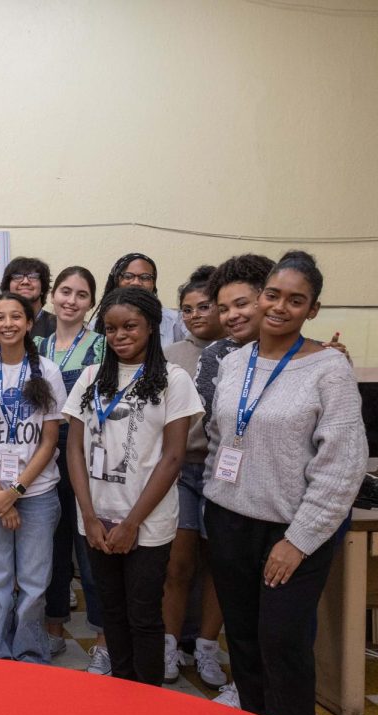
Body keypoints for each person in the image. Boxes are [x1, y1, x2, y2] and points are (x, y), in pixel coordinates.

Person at [203, 251, 367, 715]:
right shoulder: (234, 363)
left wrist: (297, 541)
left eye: (296, 300)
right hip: (230, 520)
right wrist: (216, 495)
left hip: (291, 532)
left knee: (283, 643)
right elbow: (220, 439)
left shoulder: (328, 370)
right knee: (246, 641)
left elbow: (343, 466)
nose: (279, 307)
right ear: (259, 297)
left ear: (311, 310)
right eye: (272, 295)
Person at [64, 287, 202, 686]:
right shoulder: (91, 377)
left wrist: (131, 524)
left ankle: (148, 701)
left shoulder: (173, 380)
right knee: (111, 612)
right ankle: (122, 693)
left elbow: (173, 457)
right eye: (110, 329)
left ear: (151, 327)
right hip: (96, 517)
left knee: (143, 616)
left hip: (147, 522)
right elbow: (74, 448)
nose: (120, 335)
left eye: (130, 326)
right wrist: (89, 516)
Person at [0, 293, 66, 663]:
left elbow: (50, 439)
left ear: (29, 323)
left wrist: (16, 491)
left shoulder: (48, 372)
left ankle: (31, 653)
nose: (8, 324)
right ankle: (2, 651)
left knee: (35, 584)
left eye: (15, 317)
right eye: (0, 318)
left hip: (37, 493)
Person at [33, 266, 109, 671]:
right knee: (52, 545)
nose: (71, 300)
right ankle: (54, 629)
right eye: (65, 291)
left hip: (83, 449)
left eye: (81, 294)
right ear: (52, 296)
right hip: (42, 451)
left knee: (88, 544)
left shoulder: (101, 345)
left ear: (91, 303)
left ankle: (101, 638)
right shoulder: (37, 343)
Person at [160, 266, 227, 686]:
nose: (196, 315)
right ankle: (169, 646)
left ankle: (205, 648)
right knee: (178, 563)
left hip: (223, 470)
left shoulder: (240, 353)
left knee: (217, 565)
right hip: (181, 468)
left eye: (205, 306)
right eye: (187, 309)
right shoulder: (170, 357)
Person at [99, 253, 186, 347]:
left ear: (153, 284)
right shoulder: (98, 323)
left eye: (145, 277)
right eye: (128, 276)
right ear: (117, 281)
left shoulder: (176, 321)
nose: (136, 282)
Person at [0, 257, 55, 340]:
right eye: (17, 277)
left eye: (33, 277)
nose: (25, 282)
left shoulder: (58, 326)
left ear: (43, 287)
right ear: (8, 287)